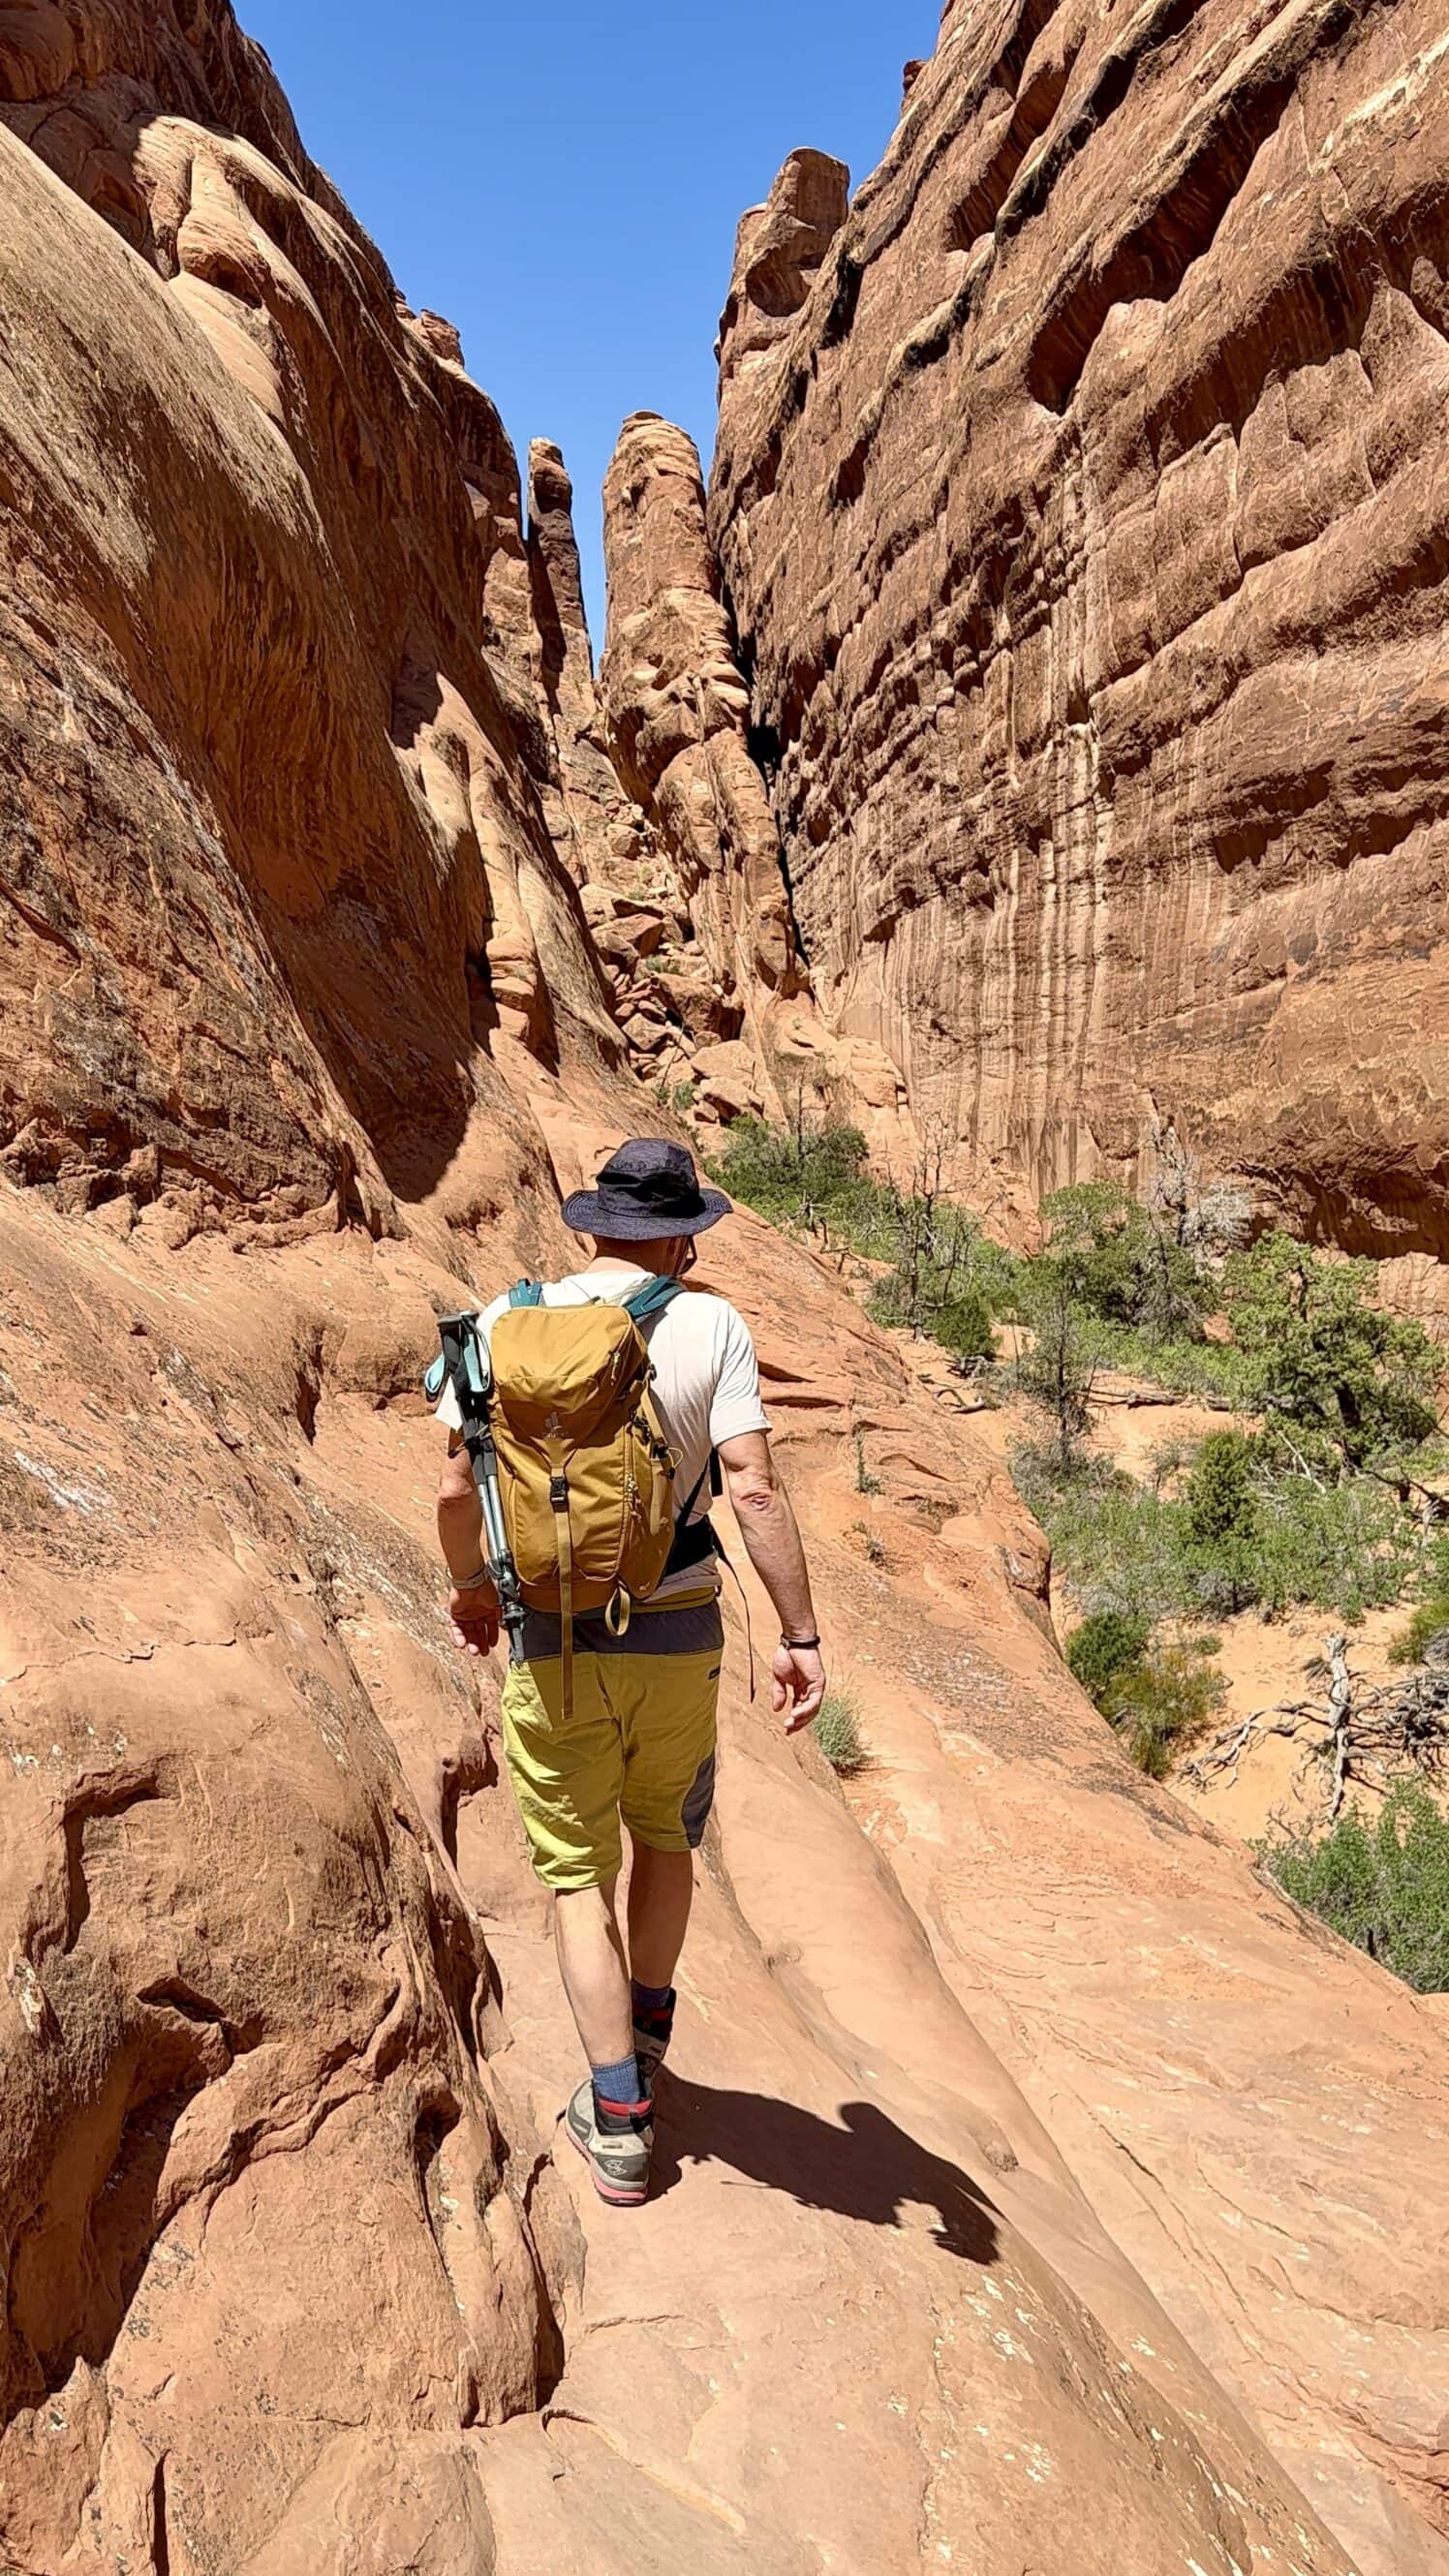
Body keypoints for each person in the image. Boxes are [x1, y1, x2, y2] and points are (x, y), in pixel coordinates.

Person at [434, 1137, 826, 2206]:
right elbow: (752, 1489)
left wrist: (471, 1590)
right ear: (681, 1240)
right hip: (676, 1633)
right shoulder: (711, 1325)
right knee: (665, 1835)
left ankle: (618, 2123)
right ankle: (647, 2036)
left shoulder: (500, 1323)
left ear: (594, 1227)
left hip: (551, 1642)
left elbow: (458, 1490)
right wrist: (798, 1633)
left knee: (576, 1880)